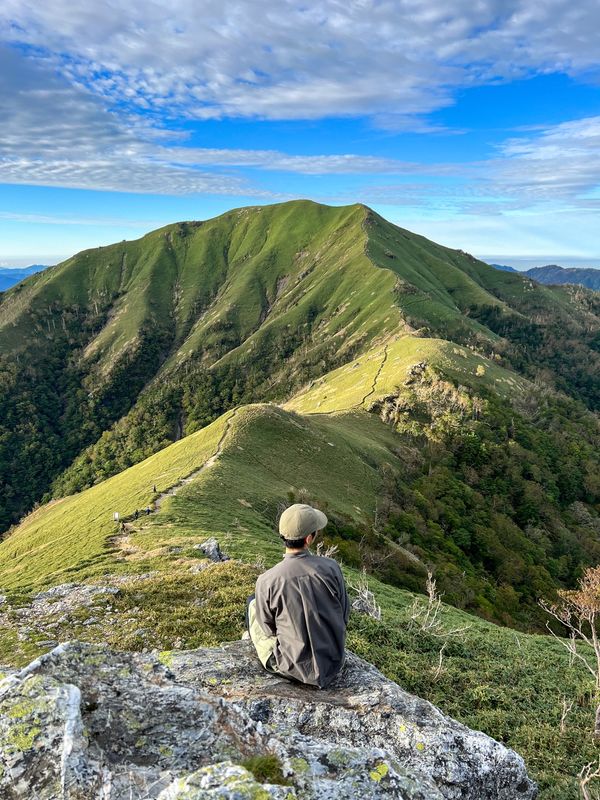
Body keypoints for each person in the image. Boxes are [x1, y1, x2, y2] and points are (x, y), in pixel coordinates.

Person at [247, 503, 349, 689]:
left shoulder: (267, 580)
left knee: (252, 603)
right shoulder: (332, 568)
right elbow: (344, 615)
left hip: (292, 668)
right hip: (333, 662)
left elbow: (268, 629)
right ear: (309, 539)